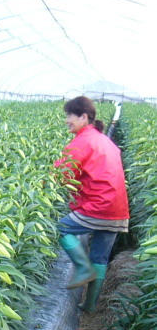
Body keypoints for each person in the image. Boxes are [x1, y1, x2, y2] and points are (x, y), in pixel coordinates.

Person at [53, 96, 129, 313]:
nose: (67, 120)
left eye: (69, 115)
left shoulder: (82, 142)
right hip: (118, 209)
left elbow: (61, 174)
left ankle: (82, 267)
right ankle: (90, 305)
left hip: (98, 205)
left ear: (83, 117)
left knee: (61, 228)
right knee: (100, 257)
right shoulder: (105, 140)